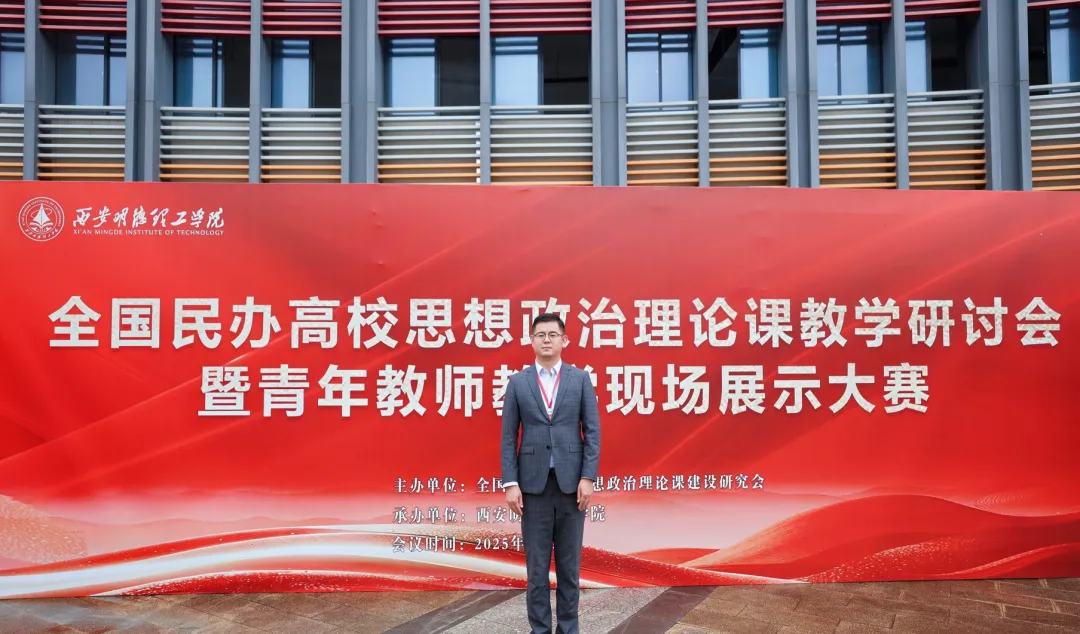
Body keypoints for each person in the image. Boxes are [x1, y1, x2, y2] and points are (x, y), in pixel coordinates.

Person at [500, 313, 602, 634]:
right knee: (537, 570)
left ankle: (569, 629)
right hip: (533, 489)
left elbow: (592, 432)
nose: (546, 340)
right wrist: (511, 482)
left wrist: (588, 477)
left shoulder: (580, 379)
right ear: (531, 340)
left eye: (553, 334)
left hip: (572, 488)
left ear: (564, 340)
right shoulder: (518, 382)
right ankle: (540, 630)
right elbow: (508, 436)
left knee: (570, 569)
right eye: (540, 334)